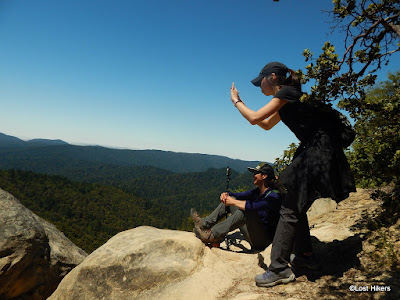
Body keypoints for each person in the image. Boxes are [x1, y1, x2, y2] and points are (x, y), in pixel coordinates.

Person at [230, 62, 356, 287]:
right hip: (317, 151)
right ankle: (305, 256)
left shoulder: (287, 92)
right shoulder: (288, 98)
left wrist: (237, 102)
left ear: (273, 78)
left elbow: (255, 118)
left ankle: (278, 268)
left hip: (317, 151)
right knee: (296, 204)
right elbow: (267, 125)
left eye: (261, 82)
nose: (260, 86)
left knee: (288, 206)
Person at [191, 162, 283, 251]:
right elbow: (238, 195)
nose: (253, 176)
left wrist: (233, 201)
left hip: (263, 241)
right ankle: (203, 224)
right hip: (255, 233)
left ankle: (211, 236)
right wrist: (226, 195)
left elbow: (253, 207)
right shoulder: (258, 192)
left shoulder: (273, 196)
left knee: (244, 211)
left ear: (264, 176)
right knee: (231, 200)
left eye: (256, 173)